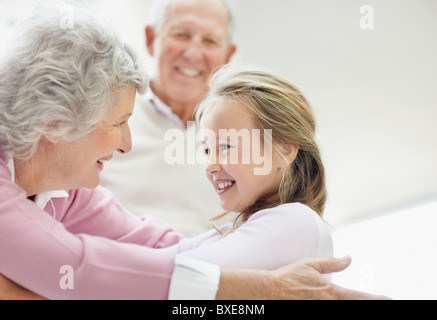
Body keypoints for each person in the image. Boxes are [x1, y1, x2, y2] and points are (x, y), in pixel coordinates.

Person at [0, 1, 388, 300]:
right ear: (57, 122)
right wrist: (260, 289)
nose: (127, 143)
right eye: (119, 123)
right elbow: (78, 266)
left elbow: (162, 247)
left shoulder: (67, 194)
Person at [156, 66, 333, 275]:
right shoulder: (234, 234)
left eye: (225, 147)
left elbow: (165, 275)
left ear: (284, 151)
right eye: (207, 150)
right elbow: (151, 258)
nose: (210, 166)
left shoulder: (296, 222)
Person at [100, 0, 238, 235]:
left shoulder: (246, 135)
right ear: (151, 38)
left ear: (228, 55)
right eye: (181, 35)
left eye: (210, 41)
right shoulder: (101, 116)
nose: (193, 53)